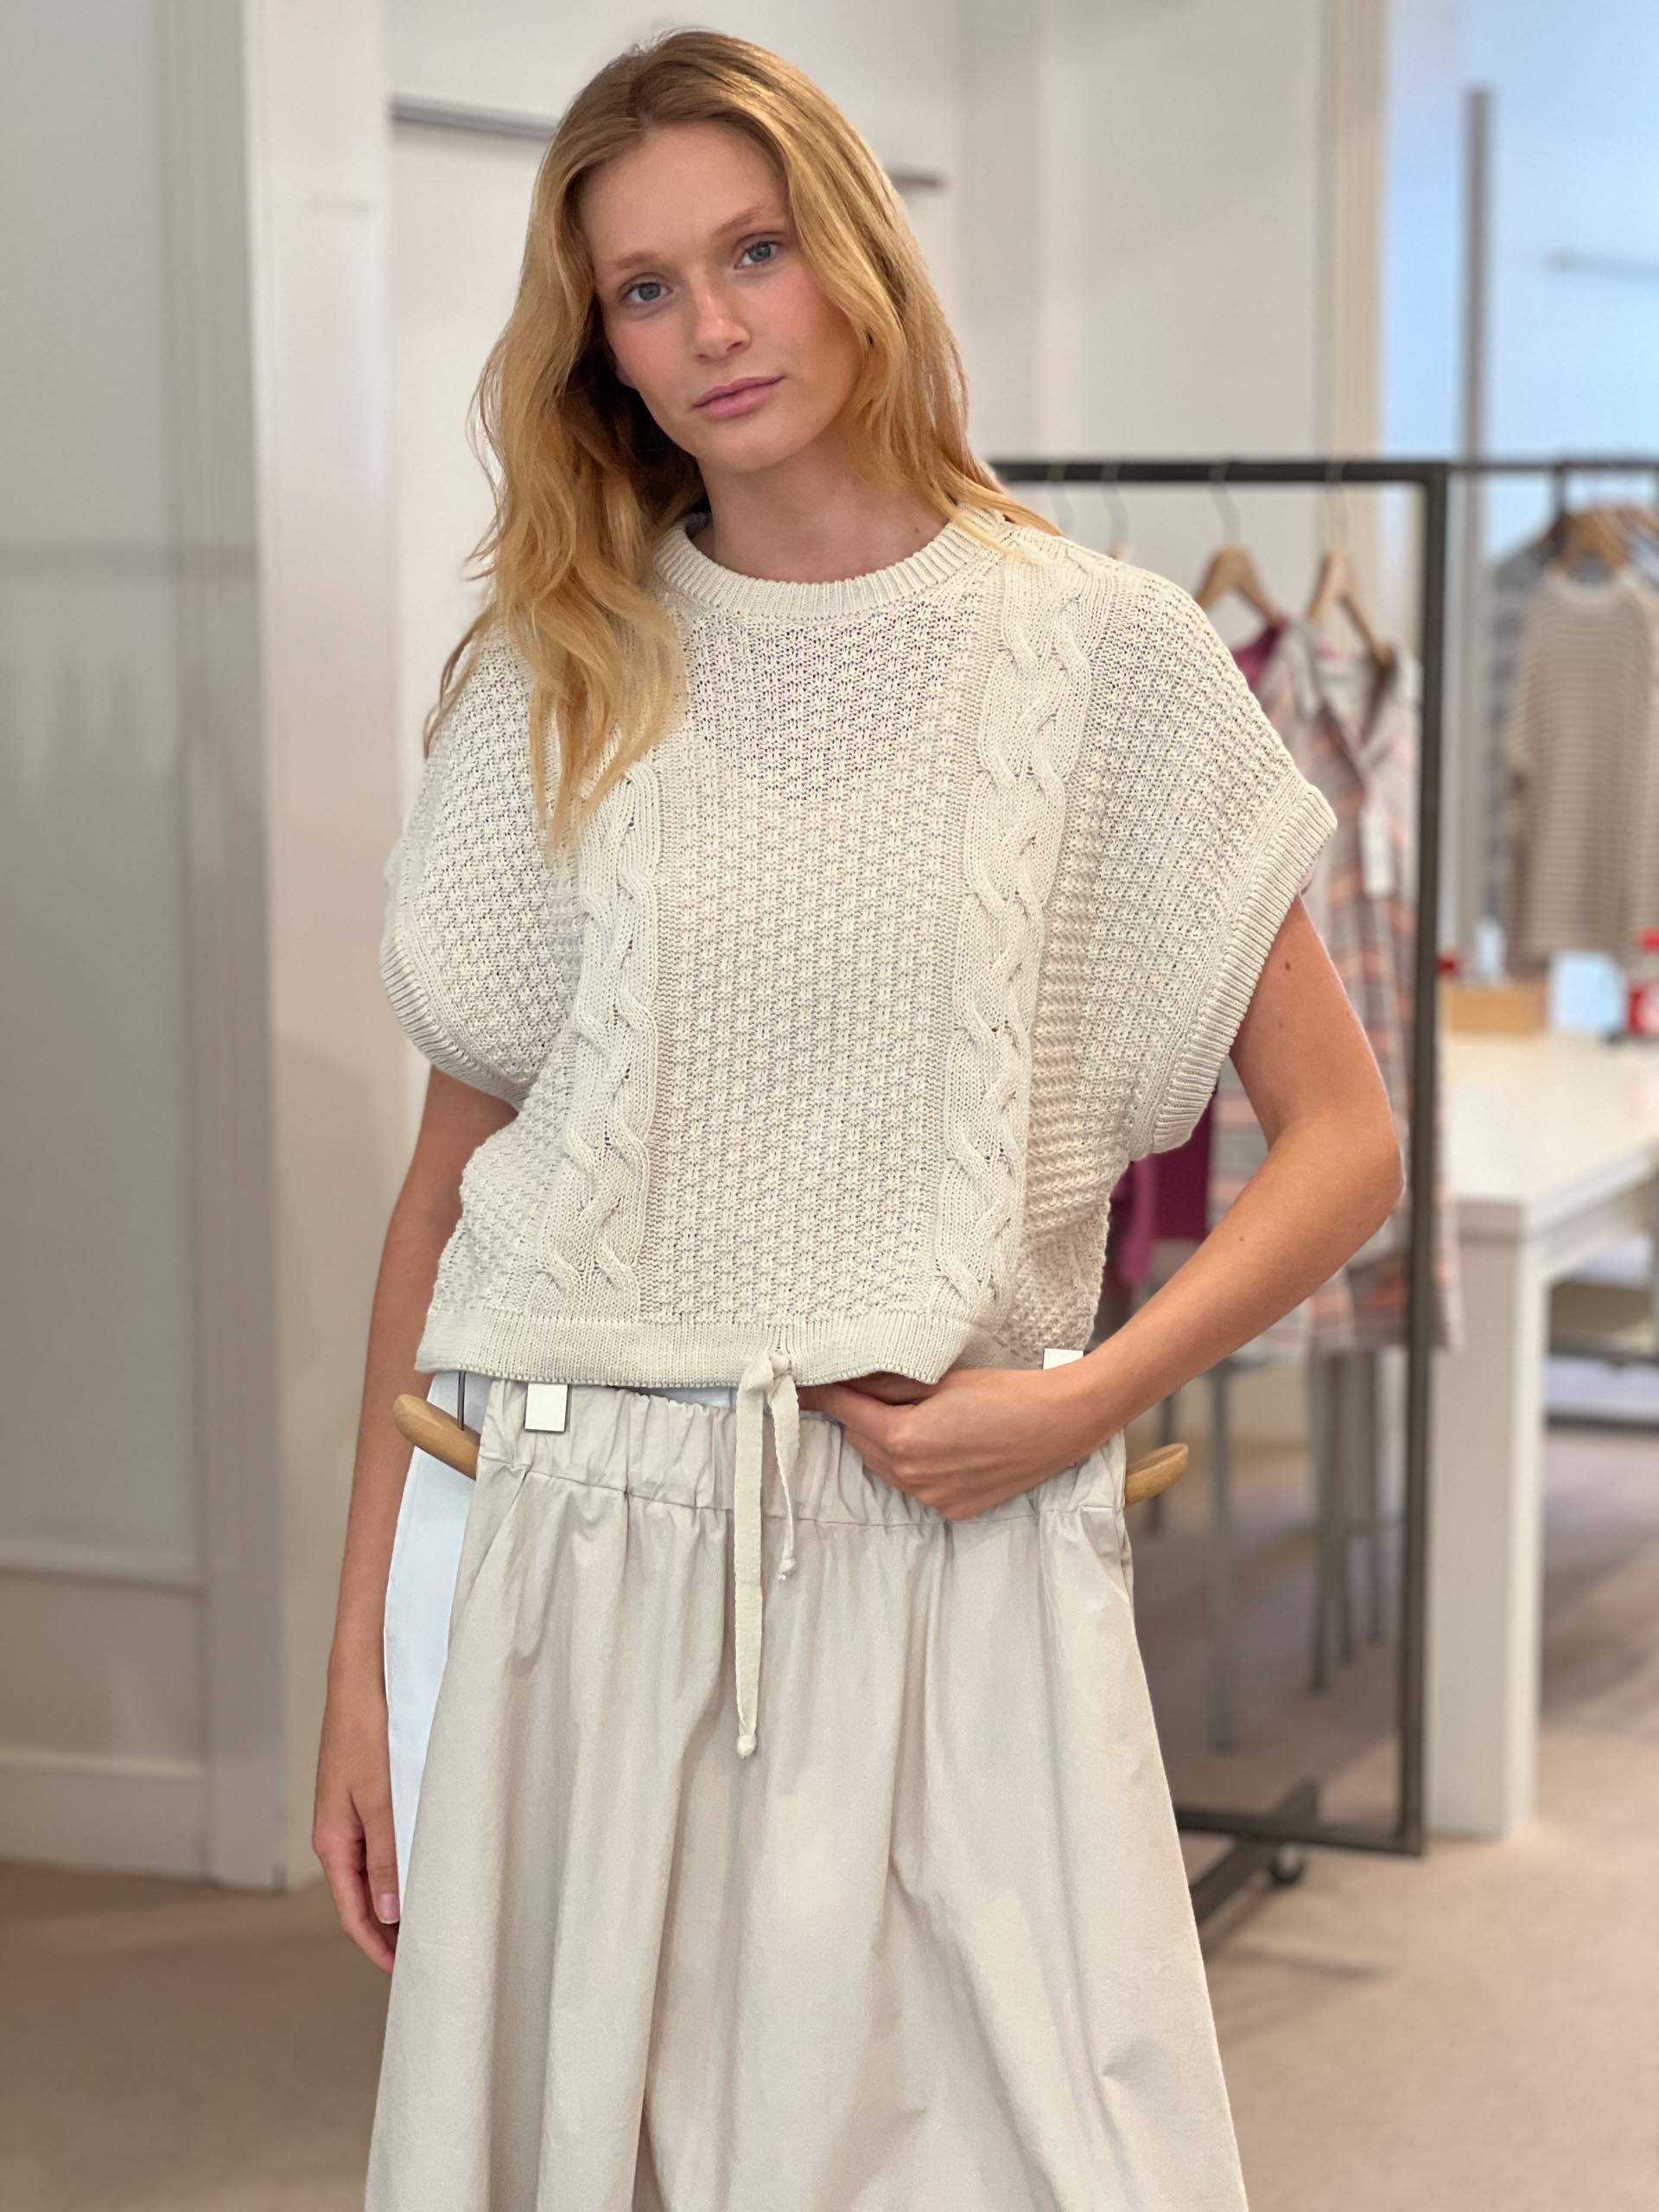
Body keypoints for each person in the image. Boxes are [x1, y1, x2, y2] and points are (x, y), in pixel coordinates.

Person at [314, 28, 1400, 2211]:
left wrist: (1082, 1398)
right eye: (643, 289)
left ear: (857, 255)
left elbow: (1347, 1141)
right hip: (559, 1539)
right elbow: (445, 1198)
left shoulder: (1103, 656)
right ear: (599, 347)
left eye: (755, 251)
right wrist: (357, 1659)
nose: (711, 326)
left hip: (950, 1544)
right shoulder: (560, 665)